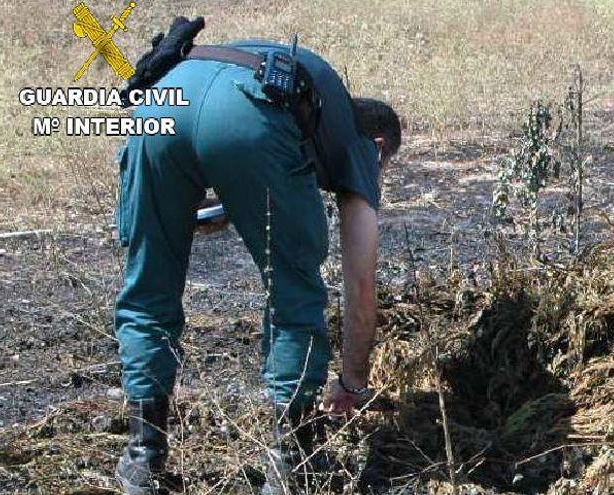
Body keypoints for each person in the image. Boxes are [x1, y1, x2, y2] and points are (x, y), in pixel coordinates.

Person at [112, 18, 401, 495]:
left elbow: (212, 126)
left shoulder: (315, 99)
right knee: (294, 294)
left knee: (148, 286)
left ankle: (144, 459)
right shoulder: (359, 142)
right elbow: (361, 276)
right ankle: (294, 461)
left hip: (161, 106)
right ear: (379, 147)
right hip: (247, 115)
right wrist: (353, 380)